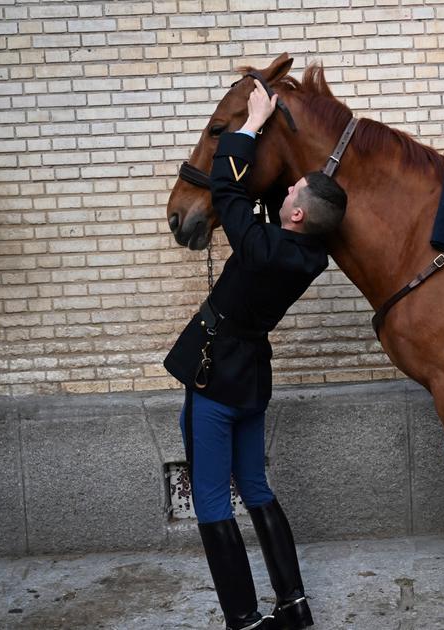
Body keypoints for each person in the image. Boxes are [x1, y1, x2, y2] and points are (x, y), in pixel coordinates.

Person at [164, 80, 347, 630]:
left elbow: (227, 193)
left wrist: (246, 128)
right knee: (258, 488)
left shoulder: (263, 246)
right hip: (251, 381)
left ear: (295, 216)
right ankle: (294, 604)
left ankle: (243, 620)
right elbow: (259, 203)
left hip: (216, 379)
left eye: (294, 194)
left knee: (213, 501)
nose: (288, 191)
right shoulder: (307, 253)